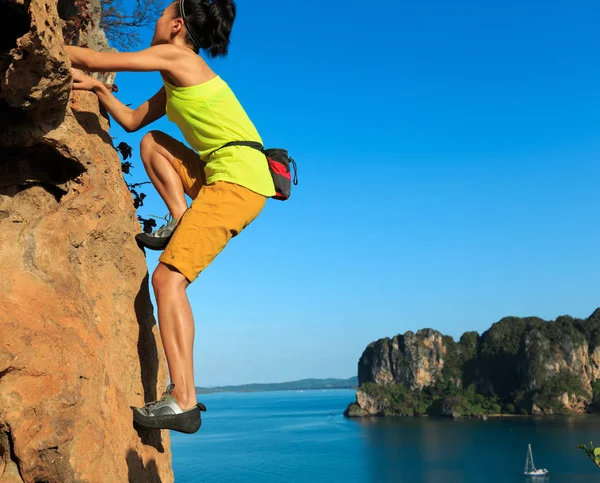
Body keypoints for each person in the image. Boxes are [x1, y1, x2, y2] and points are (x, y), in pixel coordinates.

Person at [66, 0, 275, 434]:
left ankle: (184, 400)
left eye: (163, 12)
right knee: (153, 143)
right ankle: (180, 216)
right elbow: (132, 121)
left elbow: (90, 56)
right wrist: (100, 91)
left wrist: (50, 48)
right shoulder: (175, 74)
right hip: (225, 172)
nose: (157, 19)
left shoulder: (177, 56)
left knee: (167, 280)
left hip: (236, 182)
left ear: (177, 25)